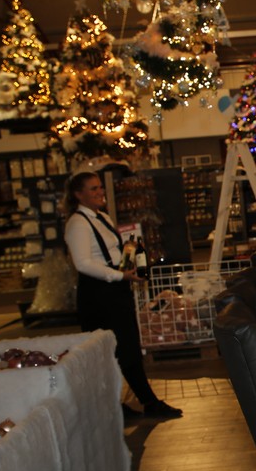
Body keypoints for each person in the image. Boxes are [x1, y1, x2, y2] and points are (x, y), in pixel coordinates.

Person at [63, 171, 181, 418]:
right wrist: (119, 275)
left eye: (100, 187)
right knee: (113, 351)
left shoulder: (102, 217)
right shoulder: (78, 223)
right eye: (93, 189)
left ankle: (131, 404)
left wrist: (129, 262)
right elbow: (82, 263)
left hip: (114, 289)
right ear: (78, 195)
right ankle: (140, 403)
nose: (100, 192)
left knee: (126, 348)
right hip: (98, 294)